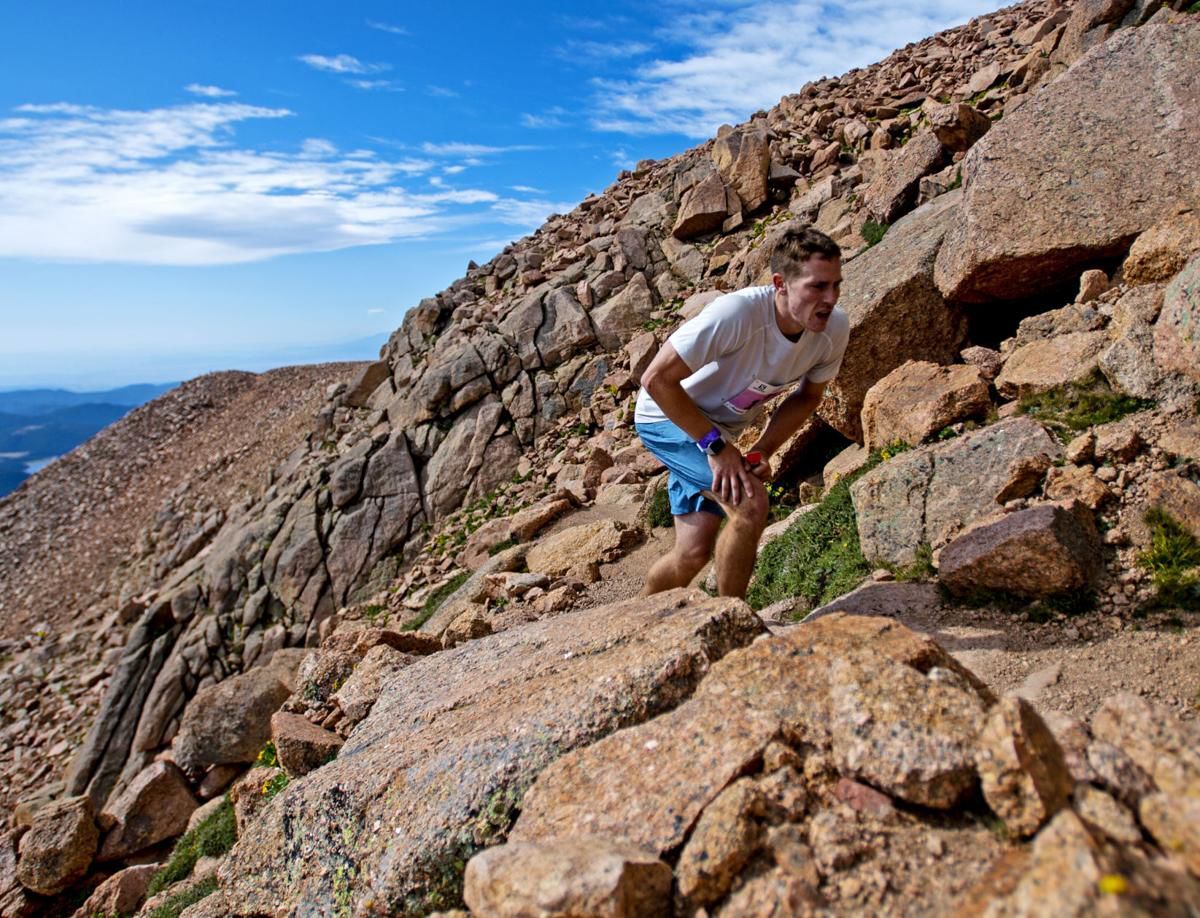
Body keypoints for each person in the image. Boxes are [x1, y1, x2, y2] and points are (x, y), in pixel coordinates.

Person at [634, 224, 849, 598]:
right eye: (817, 286)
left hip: (717, 430)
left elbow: (808, 397)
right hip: (666, 414)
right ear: (780, 283)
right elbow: (655, 380)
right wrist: (717, 448)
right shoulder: (738, 315)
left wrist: (762, 449)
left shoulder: (833, 329)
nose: (830, 299)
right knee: (750, 504)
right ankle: (734, 624)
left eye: (836, 285)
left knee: (692, 553)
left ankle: (636, 619)